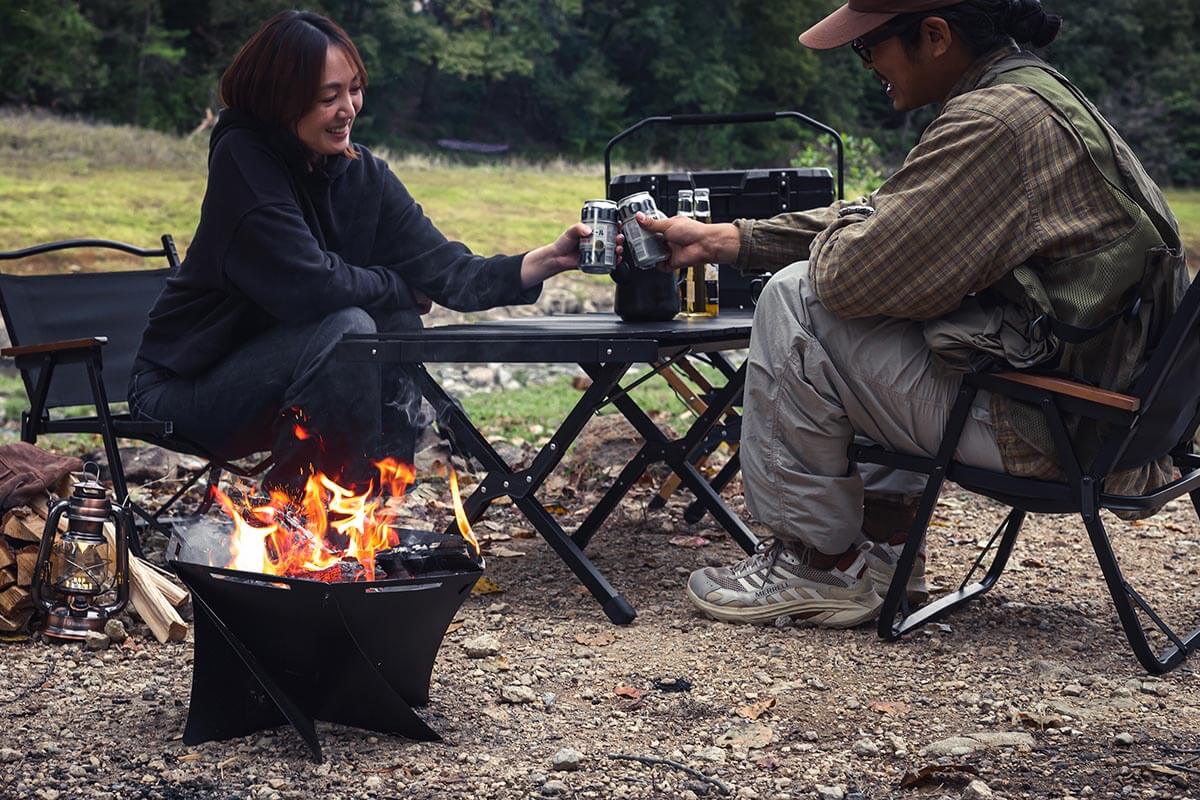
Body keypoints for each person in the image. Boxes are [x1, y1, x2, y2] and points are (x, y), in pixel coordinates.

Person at [637, 0, 1188, 627]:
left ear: (934, 36)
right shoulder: (1033, 95)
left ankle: (816, 562)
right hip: (1113, 418)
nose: (867, 66)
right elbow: (893, 224)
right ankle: (888, 547)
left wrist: (864, 223)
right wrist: (728, 239)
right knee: (889, 300)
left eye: (867, 48)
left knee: (798, 299)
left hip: (1057, 432)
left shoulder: (992, 123)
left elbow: (851, 272)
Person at [128, 10, 592, 493]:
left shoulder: (363, 176)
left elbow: (449, 270)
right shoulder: (243, 163)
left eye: (354, 89)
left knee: (393, 325)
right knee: (351, 329)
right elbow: (310, 287)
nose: (348, 108)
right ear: (279, 102)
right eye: (328, 97)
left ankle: (368, 514)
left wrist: (551, 258)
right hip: (180, 392)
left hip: (288, 383)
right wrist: (395, 285)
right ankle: (299, 521)